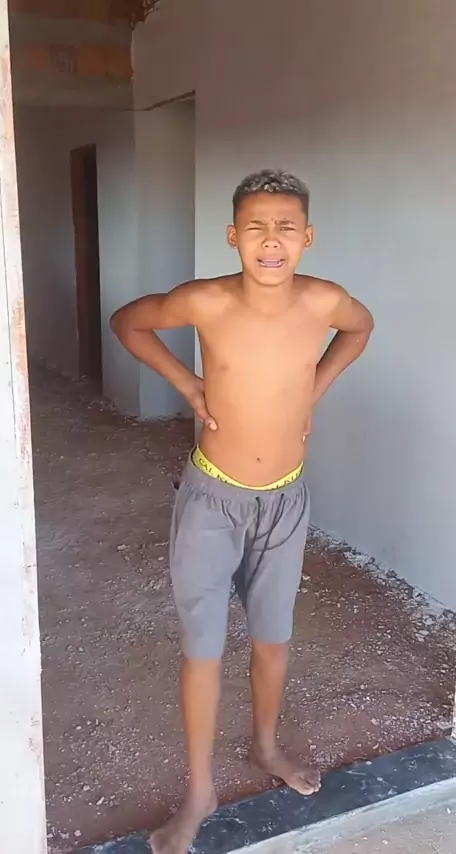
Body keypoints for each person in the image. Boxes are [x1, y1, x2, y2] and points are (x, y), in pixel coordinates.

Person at [110, 169, 374, 854]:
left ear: (308, 237)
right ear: (233, 237)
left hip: (285, 499)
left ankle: (264, 745)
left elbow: (360, 327)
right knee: (204, 647)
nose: (271, 240)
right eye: (256, 227)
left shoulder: (323, 301)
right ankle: (200, 790)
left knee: (272, 639)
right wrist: (187, 383)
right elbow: (129, 321)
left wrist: (314, 388)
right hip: (213, 499)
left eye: (286, 227)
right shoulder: (206, 300)